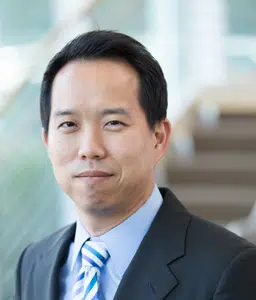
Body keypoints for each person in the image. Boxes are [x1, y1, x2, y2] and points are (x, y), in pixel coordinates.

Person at [15, 30, 256, 300]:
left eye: (113, 123)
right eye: (68, 124)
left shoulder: (229, 269)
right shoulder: (35, 262)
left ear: (159, 137)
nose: (89, 149)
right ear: (48, 141)